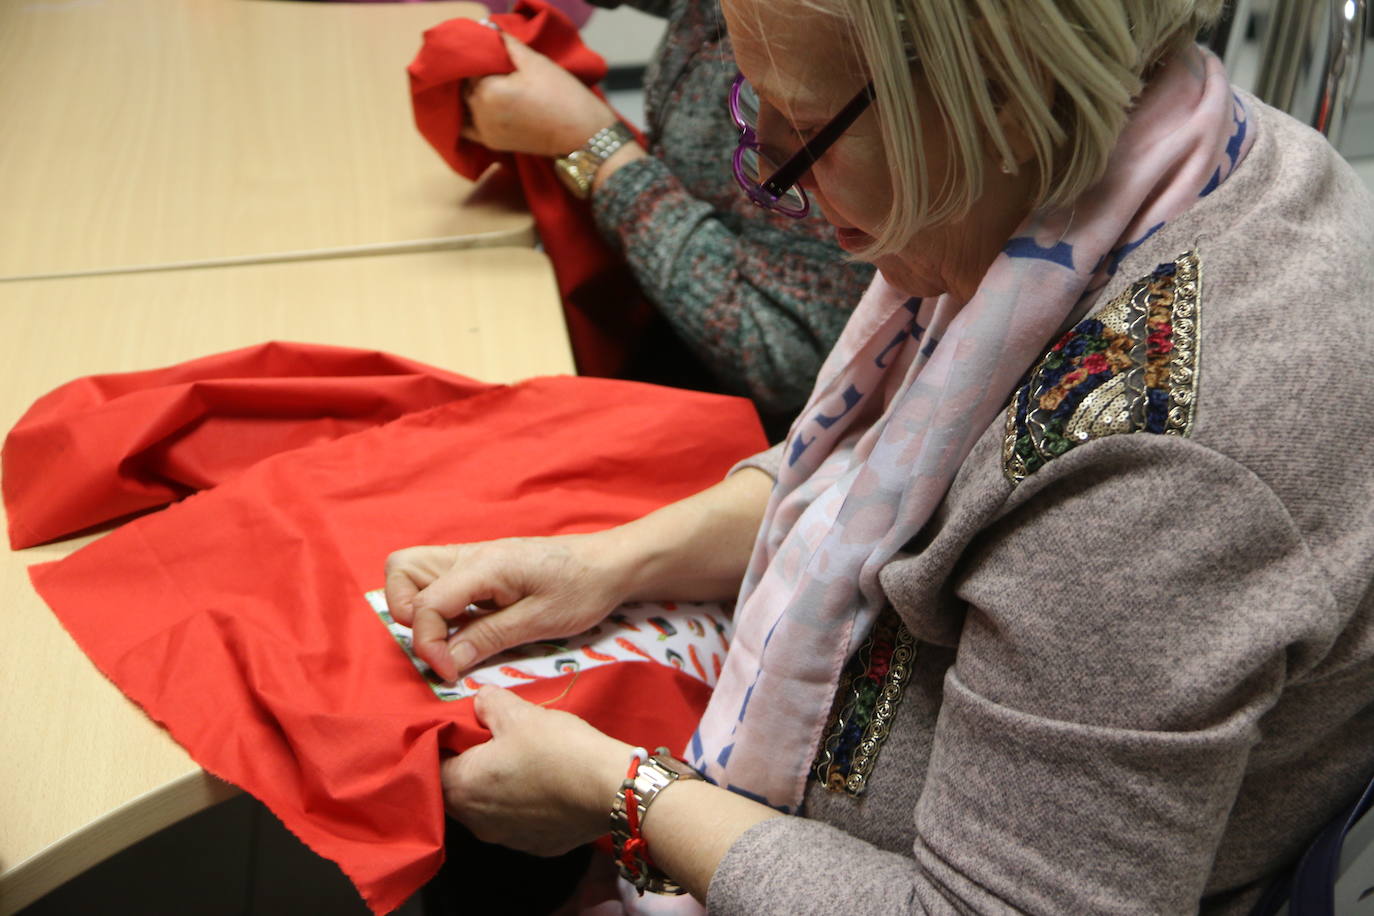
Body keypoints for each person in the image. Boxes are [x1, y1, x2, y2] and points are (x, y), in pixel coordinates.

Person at [385, 0, 1374, 911]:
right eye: (753, 103)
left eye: (800, 121)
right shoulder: (1086, 171)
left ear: (996, 93)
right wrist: (609, 561)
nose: (767, 168)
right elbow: (898, 468)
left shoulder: (1164, 465)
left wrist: (625, 793)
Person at [461, 0, 873, 430]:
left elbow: (788, 362)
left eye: (798, 128)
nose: (766, 170)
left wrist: (597, 151)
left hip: (761, 425)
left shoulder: (847, 44)